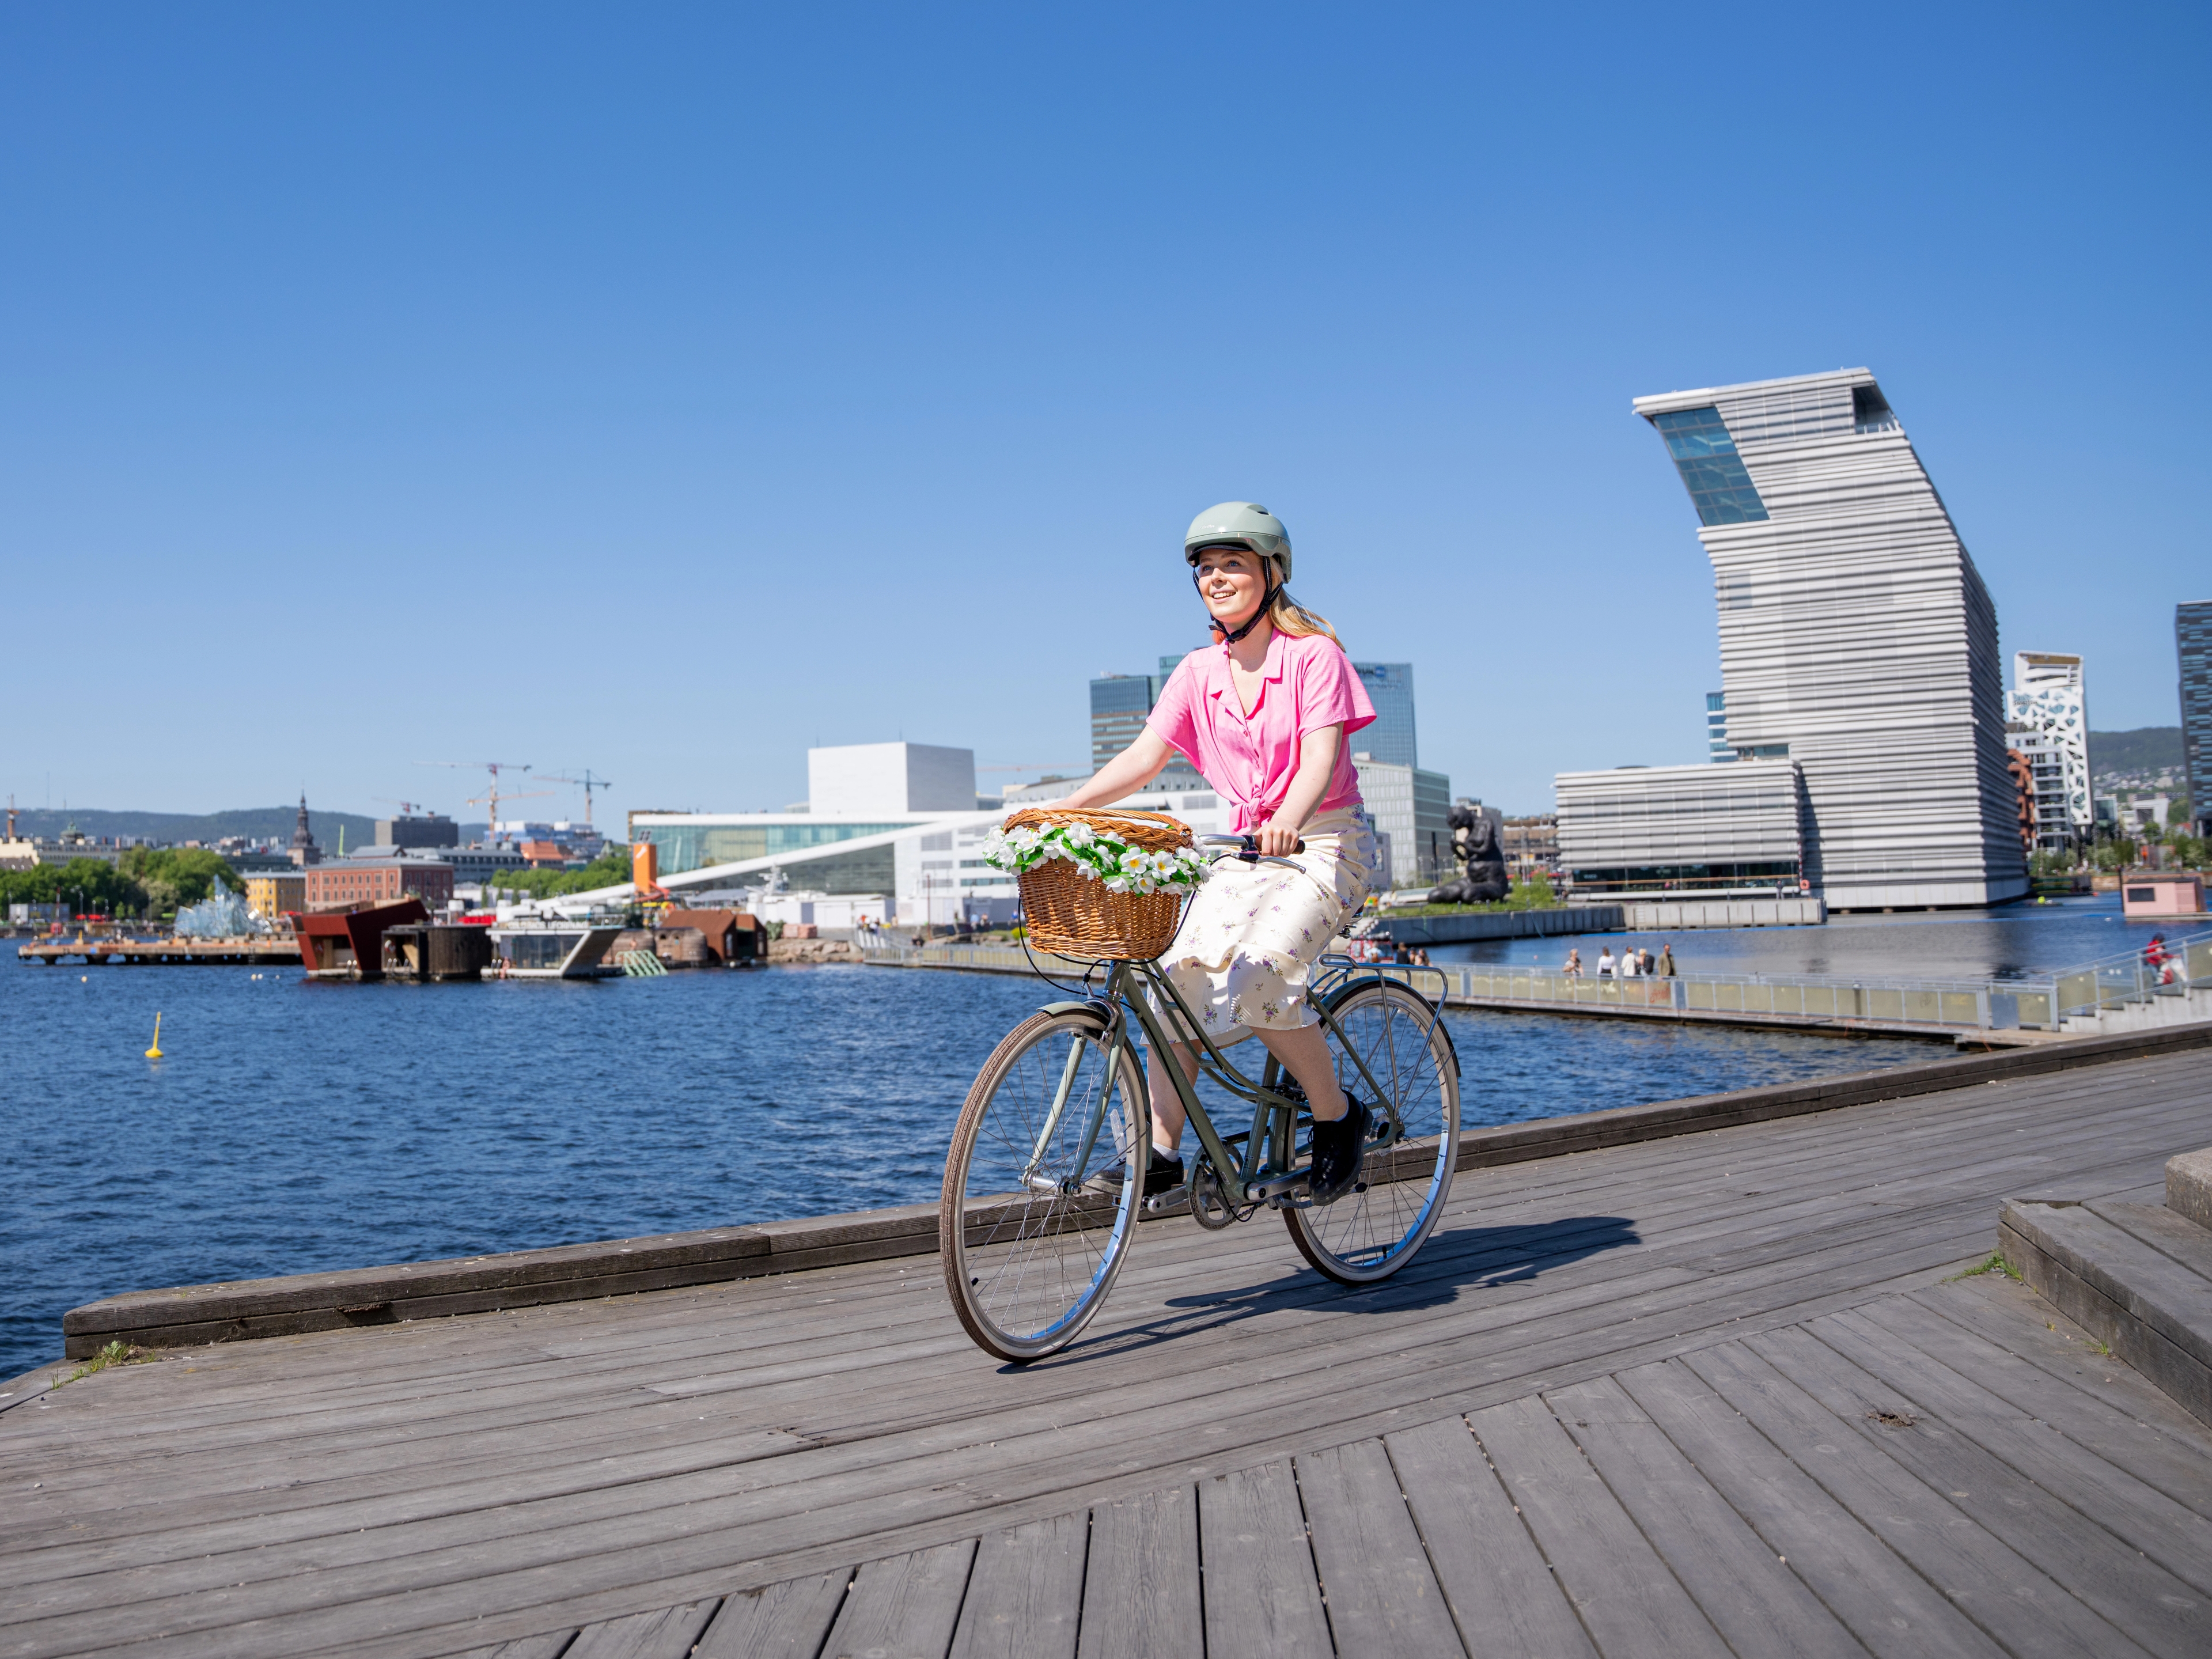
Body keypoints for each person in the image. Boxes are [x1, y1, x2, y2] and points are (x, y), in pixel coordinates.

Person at [1057, 502, 1382, 1206]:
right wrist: (1067, 810)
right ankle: (1165, 1151)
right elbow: (1146, 757)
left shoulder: (1313, 657)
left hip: (1325, 843)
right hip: (1244, 853)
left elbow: (1321, 758)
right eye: (1205, 569)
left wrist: (1288, 821)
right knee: (1168, 978)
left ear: (1271, 573)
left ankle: (1337, 1118)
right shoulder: (1198, 671)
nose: (1215, 578)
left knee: (1262, 976)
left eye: (1232, 564)